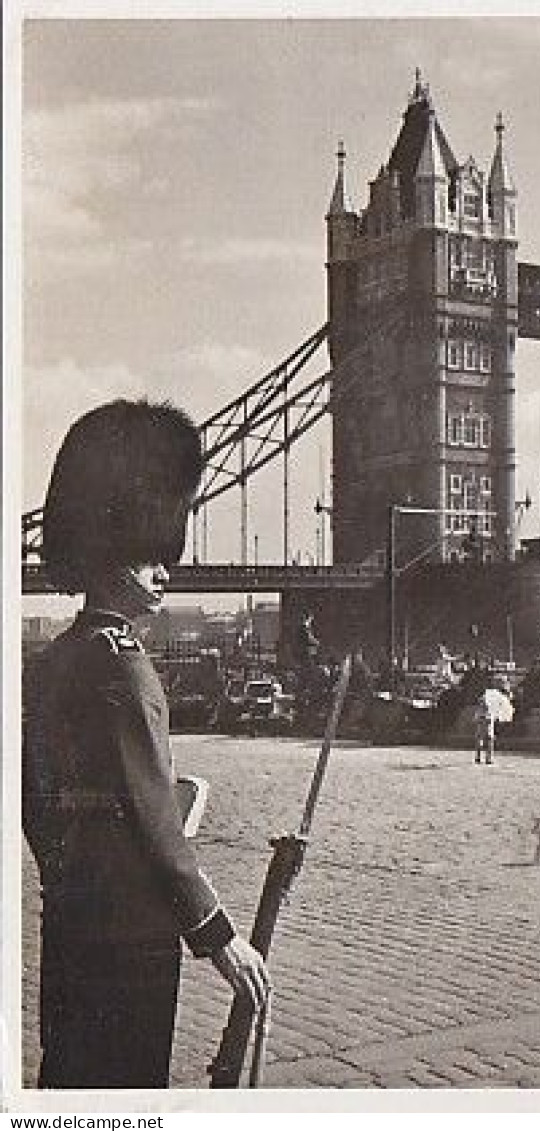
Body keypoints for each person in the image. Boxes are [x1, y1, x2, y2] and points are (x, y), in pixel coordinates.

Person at [22, 399, 270, 1089]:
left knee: (70, 1084)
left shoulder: (51, 661)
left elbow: (34, 801)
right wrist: (220, 937)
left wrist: (74, 873)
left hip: (69, 917)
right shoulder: (124, 666)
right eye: (149, 553)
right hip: (133, 937)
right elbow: (155, 820)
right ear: (109, 548)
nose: (165, 570)